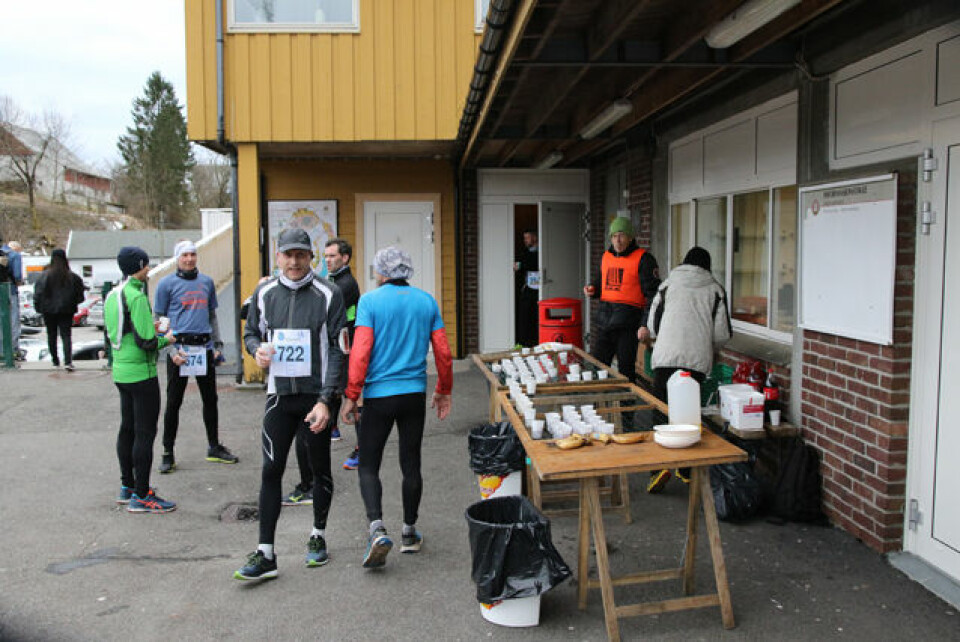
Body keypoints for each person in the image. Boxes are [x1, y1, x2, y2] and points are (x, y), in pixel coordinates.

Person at [234, 228, 347, 581]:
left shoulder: (329, 294)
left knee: (317, 470)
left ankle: (318, 536)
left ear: (310, 256)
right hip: (279, 397)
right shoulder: (264, 292)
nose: (295, 262)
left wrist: (328, 400)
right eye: (288, 255)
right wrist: (256, 351)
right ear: (278, 257)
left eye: (301, 255)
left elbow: (338, 349)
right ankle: (266, 552)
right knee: (271, 470)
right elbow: (250, 332)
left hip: (316, 399)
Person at [340, 246, 453, 569]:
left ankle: (376, 528)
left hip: (378, 396)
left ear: (381, 271)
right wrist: (443, 390)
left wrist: (351, 394)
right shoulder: (426, 301)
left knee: (368, 465)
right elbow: (443, 354)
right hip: (413, 394)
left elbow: (360, 353)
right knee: (411, 463)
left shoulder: (369, 302)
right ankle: (409, 532)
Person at [640, 246, 732, 492]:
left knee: (661, 412)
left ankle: (659, 467)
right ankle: (685, 467)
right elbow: (722, 334)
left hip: (665, 357)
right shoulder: (715, 290)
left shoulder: (668, 285)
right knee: (688, 414)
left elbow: (653, 324)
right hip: (696, 361)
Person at [284, 238, 361, 506]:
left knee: (323, 419)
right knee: (318, 421)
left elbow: (323, 310)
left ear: (345, 258)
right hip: (319, 359)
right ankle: (313, 479)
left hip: (338, 357)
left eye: (333, 256)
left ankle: (314, 482)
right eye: (325, 256)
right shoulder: (330, 282)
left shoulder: (344, 286)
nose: (328, 260)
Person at [154, 240, 238, 473]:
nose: (189, 259)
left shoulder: (207, 282)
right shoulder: (166, 284)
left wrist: (218, 344)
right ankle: (167, 452)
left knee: (210, 400)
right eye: (185, 255)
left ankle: (214, 447)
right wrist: (170, 351)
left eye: (193, 254)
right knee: (173, 402)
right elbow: (160, 320)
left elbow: (211, 315)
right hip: (179, 348)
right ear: (177, 258)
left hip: (204, 348)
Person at [104, 246, 178, 513]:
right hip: (141, 373)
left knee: (128, 428)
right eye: (147, 265)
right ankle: (143, 494)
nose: (149, 270)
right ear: (141, 265)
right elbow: (147, 342)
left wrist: (150, 327)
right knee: (145, 433)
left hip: (121, 370)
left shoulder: (114, 294)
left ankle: (128, 486)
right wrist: (166, 339)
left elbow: (125, 330)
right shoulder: (136, 296)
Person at [583, 216, 660, 384]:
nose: (617, 240)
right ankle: (598, 407)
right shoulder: (606, 257)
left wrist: (645, 324)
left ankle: (626, 409)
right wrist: (592, 289)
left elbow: (653, 295)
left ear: (631, 237)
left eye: (622, 235)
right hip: (605, 322)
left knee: (625, 371)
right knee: (598, 367)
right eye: (614, 236)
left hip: (628, 324)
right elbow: (599, 284)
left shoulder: (644, 259)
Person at [32, 249, 85, 370]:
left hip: (48, 310)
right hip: (67, 310)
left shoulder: (43, 276)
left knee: (51, 335)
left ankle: (55, 361)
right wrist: (72, 303)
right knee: (66, 335)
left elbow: (38, 294)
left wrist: (39, 308)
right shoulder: (73, 277)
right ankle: (68, 361)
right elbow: (80, 296)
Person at [514, 229, 540, 347]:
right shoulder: (524, 252)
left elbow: (534, 264)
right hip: (528, 289)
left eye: (527, 238)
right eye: (524, 238)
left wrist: (522, 265)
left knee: (537, 317)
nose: (525, 241)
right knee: (524, 317)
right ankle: (524, 343)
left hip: (540, 291)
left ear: (534, 237)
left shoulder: (541, 252)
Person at [0, 236, 24, 361]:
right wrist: (18, 282)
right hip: (9, 290)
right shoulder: (15, 256)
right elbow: (17, 276)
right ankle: (13, 350)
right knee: (12, 320)